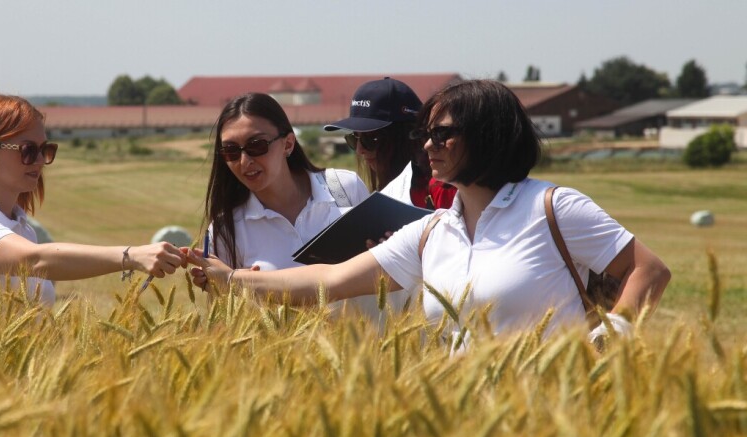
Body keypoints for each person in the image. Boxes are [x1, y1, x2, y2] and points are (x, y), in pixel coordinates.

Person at [189, 80, 671, 350]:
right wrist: (229, 278)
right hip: (470, 425)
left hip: (557, 417)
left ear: (487, 135)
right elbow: (329, 281)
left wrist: (615, 335)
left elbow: (648, 270)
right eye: (425, 134)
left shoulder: (552, 206)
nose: (426, 146)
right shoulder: (432, 231)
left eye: (441, 135)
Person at [0, 95, 187, 335]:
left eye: (46, 150)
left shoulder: (22, 230)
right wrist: (131, 256)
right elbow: (34, 261)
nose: (40, 160)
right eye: (28, 150)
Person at [200, 92, 369, 273]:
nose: (244, 161)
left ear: (288, 144)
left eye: (257, 145)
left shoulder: (345, 187)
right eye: (230, 150)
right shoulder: (226, 229)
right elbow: (222, 299)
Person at [324, 77, 456, 211]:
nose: (359, 150)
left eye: (371, 139)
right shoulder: (384, 194)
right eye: (354, 138)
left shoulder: (444, 189)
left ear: (407, 135)